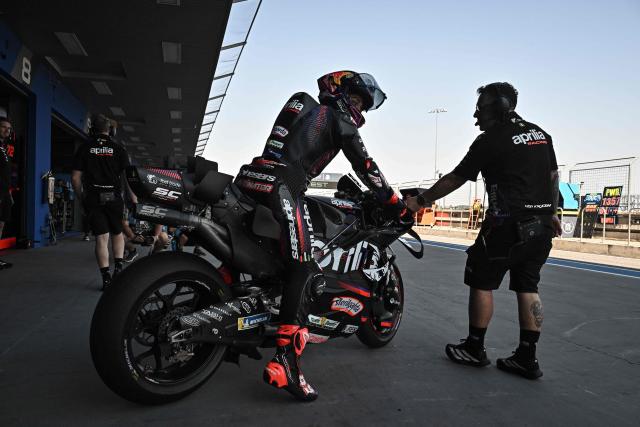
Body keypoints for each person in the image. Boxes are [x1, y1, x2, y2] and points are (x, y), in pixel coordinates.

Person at [236, 70, 411, 401]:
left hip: (250, 177)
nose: (359, 108)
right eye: (358, 99)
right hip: (282, 185)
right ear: (343, 92)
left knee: (272, 259)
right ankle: (286, 362)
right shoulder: (336, 117)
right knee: (305, 267)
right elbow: (366, 167)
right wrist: (394, 202)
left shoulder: (301, 102)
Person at [407, 82, 562, 380]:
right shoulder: (541, 135)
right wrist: (552, 211)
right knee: (528, 286)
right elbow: (553, 175)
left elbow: (456, 178)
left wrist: (421, 201)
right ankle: (527, 358)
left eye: (481, 107)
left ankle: (475, 348)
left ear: (495, 108)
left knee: (481, 281)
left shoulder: (491, 140)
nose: (477, 114)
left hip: (506, 225)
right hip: (542, 226)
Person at [72, 114, 131, 290]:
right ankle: (118, 270)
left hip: (93, 197)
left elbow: (75, 178)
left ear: (92, 129)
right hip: (114, 197)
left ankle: (105, 279)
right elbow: (127, 177)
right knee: (117, 233)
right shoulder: (119, 149)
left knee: (101, 238)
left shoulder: (84, 148)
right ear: (110, 130)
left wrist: (81, 197)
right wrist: (132, 198)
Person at [0, 117, 14, 269]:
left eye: (9, 128)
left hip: (4, 193)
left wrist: (8, 192)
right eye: (4, 127)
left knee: (1, 224)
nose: (7, 130)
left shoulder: (4, 147)